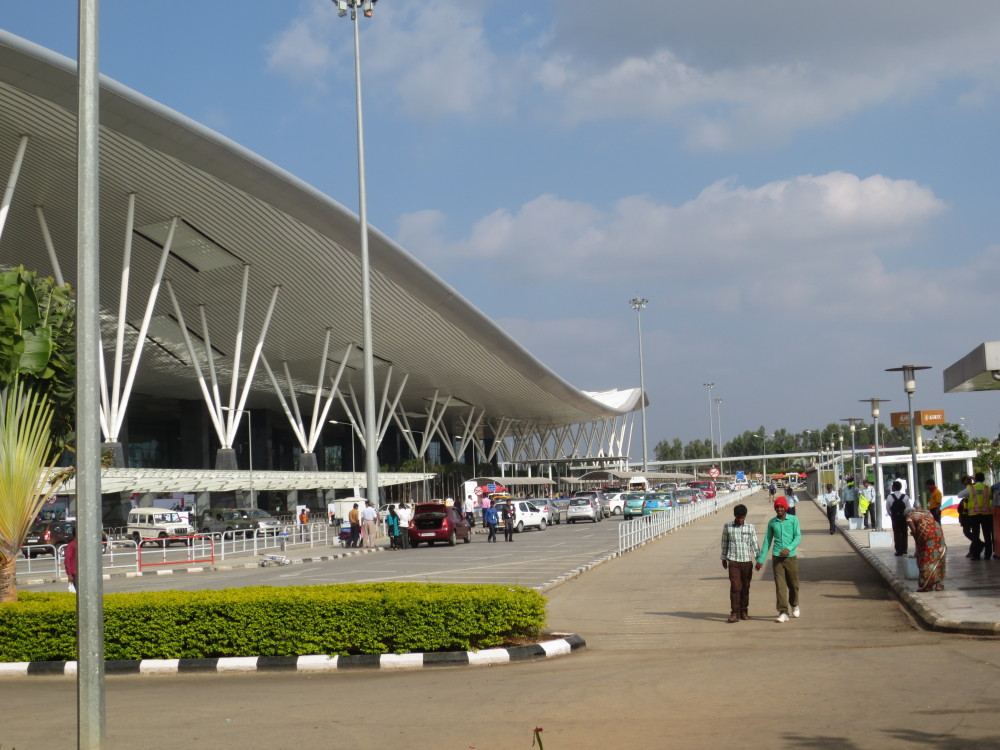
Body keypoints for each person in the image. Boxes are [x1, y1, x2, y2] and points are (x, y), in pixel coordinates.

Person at [756, 496, 802, 623]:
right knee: (780, 586)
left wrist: (789, 548)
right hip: (777, 557)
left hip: (790, 557)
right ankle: (783, 612)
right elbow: (767, 542)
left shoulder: (793, 520)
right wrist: (761, 560)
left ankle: (794, 603)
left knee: (793, 584)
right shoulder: (772, 522)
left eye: (781, 507)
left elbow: (798, 537)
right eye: (777, 507)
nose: (779, 509)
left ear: (785, 507)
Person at [720, 504, 760, 623]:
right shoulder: (728, 527)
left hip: (747, 561)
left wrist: (759, 559)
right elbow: (725, 543)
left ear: (745, 516)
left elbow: (754, 544)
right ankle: (734, 613)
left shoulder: (750, 527)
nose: (740, 519)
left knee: (745, 587)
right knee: (735, 586)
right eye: (738, 517)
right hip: (734, 561)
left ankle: (744, 611)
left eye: (742, 517)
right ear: (735, 515)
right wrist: (723, 558)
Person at [905, 507, 946, 592]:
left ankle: (926, 586)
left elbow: (915, 531)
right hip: (938, 533)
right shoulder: (925, 512)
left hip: (926, 536)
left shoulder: (909, 517)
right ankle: (938, 584)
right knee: (937, 557)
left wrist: (918, 544)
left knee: (925, 558)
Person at [966, 472, 994, 561]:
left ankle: (976, 555)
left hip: (974, 515)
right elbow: (992, 497)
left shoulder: (970, 488)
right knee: (987, 535)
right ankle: (988, 555)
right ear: (984, 479)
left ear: (975, 479)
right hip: (986, 515)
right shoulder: (988, 488)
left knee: (975, 535)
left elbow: (959, 495)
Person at [887, 480, 911, 557]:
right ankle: (904, 549)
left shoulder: (890, 497)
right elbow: (908, 508)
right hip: (904, 517)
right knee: (904, 532)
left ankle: (898, 550)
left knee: (897, 533)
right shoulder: (905, 497)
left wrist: (890, 515)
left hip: (895, 517)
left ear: (894, 487)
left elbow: (888, 508)